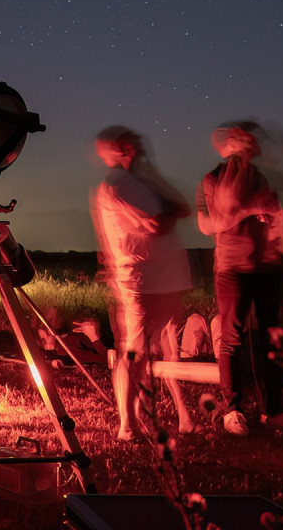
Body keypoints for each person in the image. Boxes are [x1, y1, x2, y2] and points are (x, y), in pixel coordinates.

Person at [90, 126, 194, 439]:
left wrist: (153, 178)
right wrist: (168, 208)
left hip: (162, 279)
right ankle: (128, 426)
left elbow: (181, 209)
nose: (143, 149)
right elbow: (155, 224)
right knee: (133, 353)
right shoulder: (118, 183)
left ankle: (142, 419)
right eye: (136, 145)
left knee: (146, 353)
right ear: (123, 149)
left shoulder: (139, 181)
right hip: (141, 280)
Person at [196, 121, 283, 437]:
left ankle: (274, 410)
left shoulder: (259, 177)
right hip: (232, 269)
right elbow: (208, 225)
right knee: (232, 340)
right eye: (247, 142)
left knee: (270, 338)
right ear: (234, 145)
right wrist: (250, 209)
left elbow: (272, 212)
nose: (253, 148)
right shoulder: (212, 180)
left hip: (266, 267)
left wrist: (270, 217)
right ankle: (232, 410)